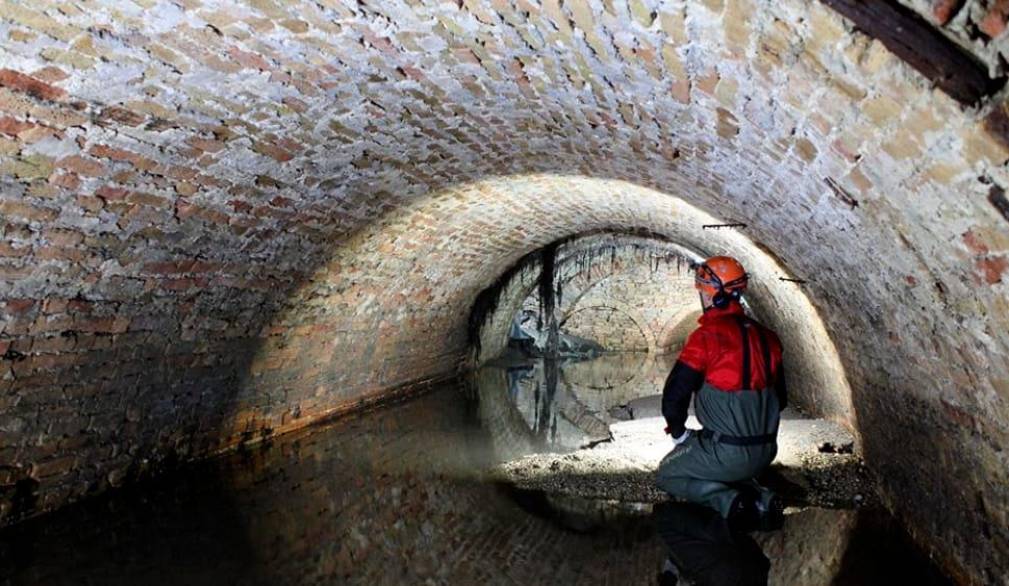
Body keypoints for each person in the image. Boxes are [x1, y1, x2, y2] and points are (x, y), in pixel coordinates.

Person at [655, 256, 787, 530]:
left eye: (702, 290)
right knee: (730, 460)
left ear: (711, 294)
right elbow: (781, 399)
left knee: (668, 474)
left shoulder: (707, 338)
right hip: (765, 451)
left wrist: (680, 434)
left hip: (727, 453)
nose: (701, 296)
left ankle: (730, 501)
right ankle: (763, 496)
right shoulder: (769, 338)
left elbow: (674, 396)